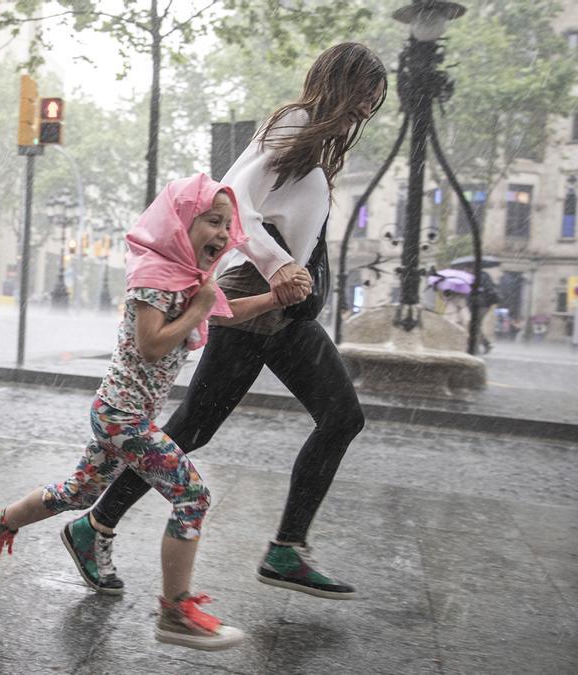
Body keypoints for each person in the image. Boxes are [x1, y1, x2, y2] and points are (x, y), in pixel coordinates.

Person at [63, 42, 387, 601]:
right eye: (364, 95)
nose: (367, 109)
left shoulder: (316, 141)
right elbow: (233, 198)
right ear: (342, 83)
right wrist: (279, 261)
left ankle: (287, 548)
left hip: (281, 309)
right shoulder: (297, 123)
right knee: (193, 428)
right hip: (252, 299)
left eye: (374, 102)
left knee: (339, 417)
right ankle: (92, 527)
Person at [0, 175, 311, 651]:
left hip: (120, 414)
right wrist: (199, 310)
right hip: (122, 418)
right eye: (211, 221)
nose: (220, 234)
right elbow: (153, 343)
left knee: (78, 491)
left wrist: (273, 299)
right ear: (179, 223)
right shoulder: (155, 276)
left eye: (226, 225)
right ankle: (176, 611)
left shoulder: (185, 276)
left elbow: (221, 309)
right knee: (193, 497)